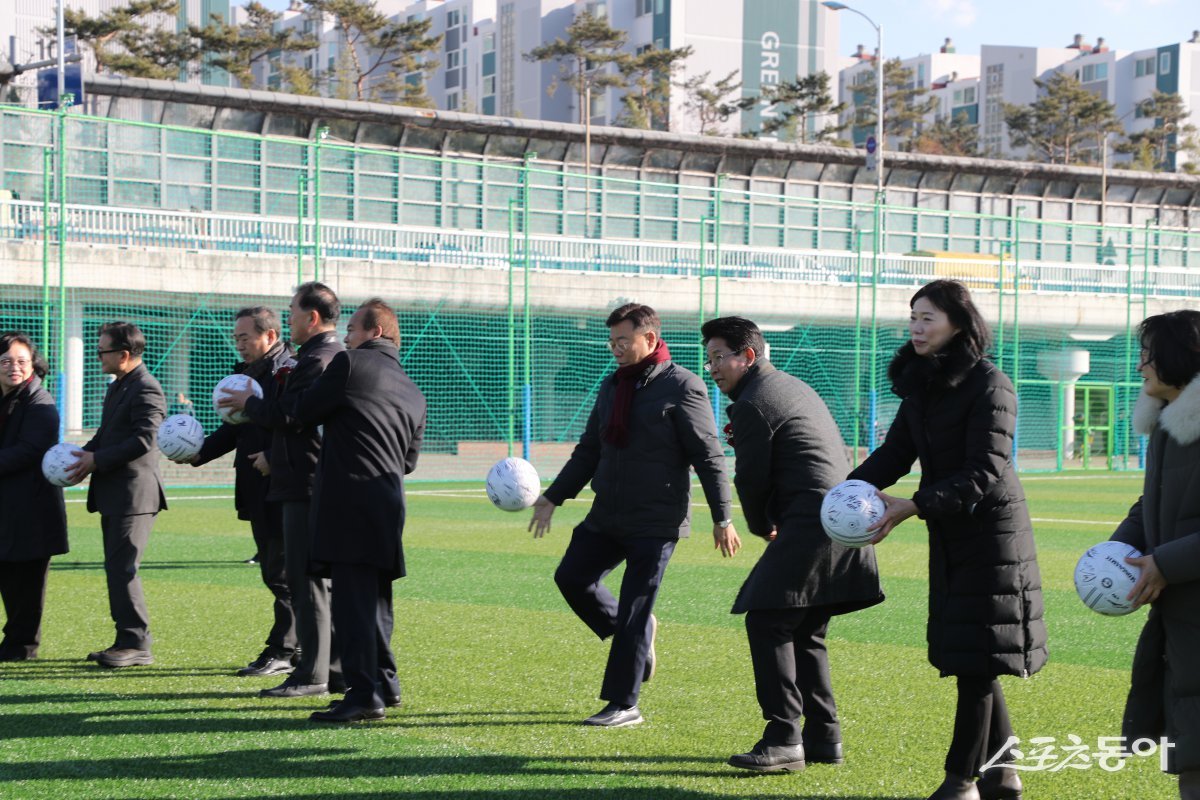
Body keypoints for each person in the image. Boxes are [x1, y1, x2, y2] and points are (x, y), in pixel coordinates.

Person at [846, 280, 1046, 800]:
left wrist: (915, 505)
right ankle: (1004, 774)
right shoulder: (921, 386)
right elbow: (894, 455)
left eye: (928, 317)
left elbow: (985, 470)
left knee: (975, 662)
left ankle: (961, 780)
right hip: (951, 529)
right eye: (913, 316)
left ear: (958, 322)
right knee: (973, 652)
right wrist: (844, 492)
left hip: (993, 535)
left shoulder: (990, 384)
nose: (916, 326)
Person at [529, 302, 739, 728]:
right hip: (607, 514)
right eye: (612, 342)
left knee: (633, 610)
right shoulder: (611, 387)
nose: (617, 348)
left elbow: (709, 456)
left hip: (656, 521)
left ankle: (624, 704)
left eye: (623, 340)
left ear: (650, 338)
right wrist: (554, 497)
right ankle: (640, 637)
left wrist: (723, 516)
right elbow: (589, 450)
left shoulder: (684, 386)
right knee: (571, 578)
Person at [700, 316, 884, 772]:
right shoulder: (787, 385)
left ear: (748, 356)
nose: (713, 368)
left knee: (767, 620)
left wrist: (763, 525)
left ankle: (784, 737)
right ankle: (824, 736)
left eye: (720, 358)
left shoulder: (754, 401)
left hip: (815, 520)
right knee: (804, 630)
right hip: (841, 518)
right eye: (708, 360)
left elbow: (752, 478)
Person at [292, 299, 426, 723]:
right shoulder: (413, 390)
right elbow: (408, 461)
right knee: (376, 601)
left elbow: (304, 412)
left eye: (351, 329)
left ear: (376, 332)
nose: (345, 337)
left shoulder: (348, 364)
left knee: (352, 603)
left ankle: (364, 695)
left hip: (349, 501)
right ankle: (385, 684)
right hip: (388, 501)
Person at [219, 282, 345, 699]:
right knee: (301, 578)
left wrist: (251, 410)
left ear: (311, 317)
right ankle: (329, 668)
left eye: (291, 312)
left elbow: (294, 416)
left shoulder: (317, 359)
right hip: (292, 481)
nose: (287, 317)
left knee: (304, 579)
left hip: (301, 483)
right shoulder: (312, 358)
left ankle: (311, 669)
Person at [1112, 310, 1200, 800]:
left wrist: (1166, 563)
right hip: (1184, 622)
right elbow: (1154, 505)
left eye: (1148, 353)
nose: (1140, 364)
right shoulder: (1170, 422)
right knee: (1191, 755)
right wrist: (1118, 548)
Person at [185, 307, 297, 677]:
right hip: (255, 486)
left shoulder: (289, 371)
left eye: (245, 337)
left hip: (284, 484)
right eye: (236, 338)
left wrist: (275, 457)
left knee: (284, 574)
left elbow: (297, 425)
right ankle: (296, 647)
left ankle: (285, 649)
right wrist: (200, 451)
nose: (240, 345)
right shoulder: (245, 374)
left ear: (270, 335)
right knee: (274, 572)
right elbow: (234, 429)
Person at [68, 321, 167, 669]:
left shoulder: (146, 389)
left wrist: (97, 459)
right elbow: (108, 435)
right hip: (115, 493)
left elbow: (145, 440)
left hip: (134, 496)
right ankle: (125, 637)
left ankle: (137, 642)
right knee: (116, 568)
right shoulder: (120, 385)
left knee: (124, 568)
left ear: (123, 355)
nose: (98, 356)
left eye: (102, 351)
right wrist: (83, 455)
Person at [0, 333, 68, 661]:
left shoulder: (40, 402)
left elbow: (29, 450)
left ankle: (22, 646)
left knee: (26, 580)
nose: (14, 367)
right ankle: (14, 641)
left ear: (32, 364)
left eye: (21, 361)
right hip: (7, 507)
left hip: (32, 507)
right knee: (8, 575)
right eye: (6, 361)